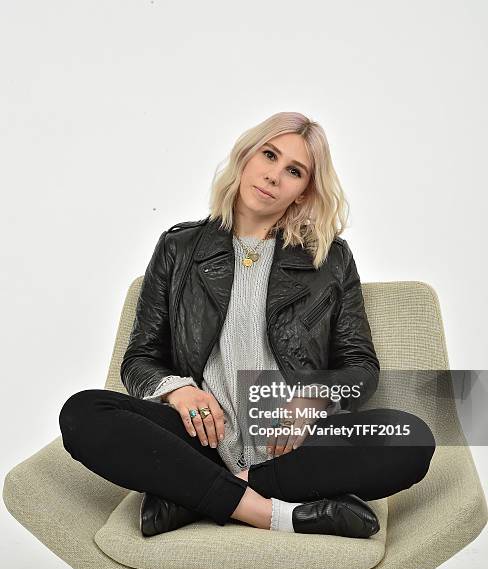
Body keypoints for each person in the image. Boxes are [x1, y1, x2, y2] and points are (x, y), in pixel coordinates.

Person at [59, 111, 436, 538]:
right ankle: (276, 513)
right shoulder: (179, 248)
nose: (274, 176)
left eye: (293, 171)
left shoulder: (330, 260)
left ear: (302, 191)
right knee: (83, 412)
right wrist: (178, 390)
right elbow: (141, 358)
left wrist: (312, 400)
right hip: (199, 440)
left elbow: (361, 366)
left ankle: (194, 497)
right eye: (269, 155)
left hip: (290, 446)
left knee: (410, 437)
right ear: (245, 157)